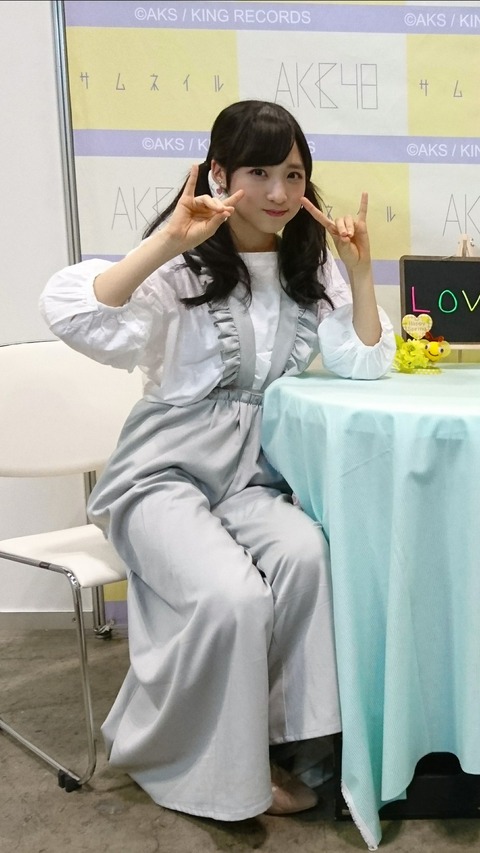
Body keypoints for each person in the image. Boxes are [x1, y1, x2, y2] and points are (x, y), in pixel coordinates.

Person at [39, 99, 396, 821]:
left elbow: (364, 360)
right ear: (219, 174)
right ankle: (195, 759)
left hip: (253, 477)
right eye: (258, 172)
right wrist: (167, 242)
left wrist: (360, 273)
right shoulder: (182, 264)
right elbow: (76, 314)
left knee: (307, 556)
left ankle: (285, 740)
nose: (278, 192)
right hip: (161, 474)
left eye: (293, 174)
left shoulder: (306, 267)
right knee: (234, 597)